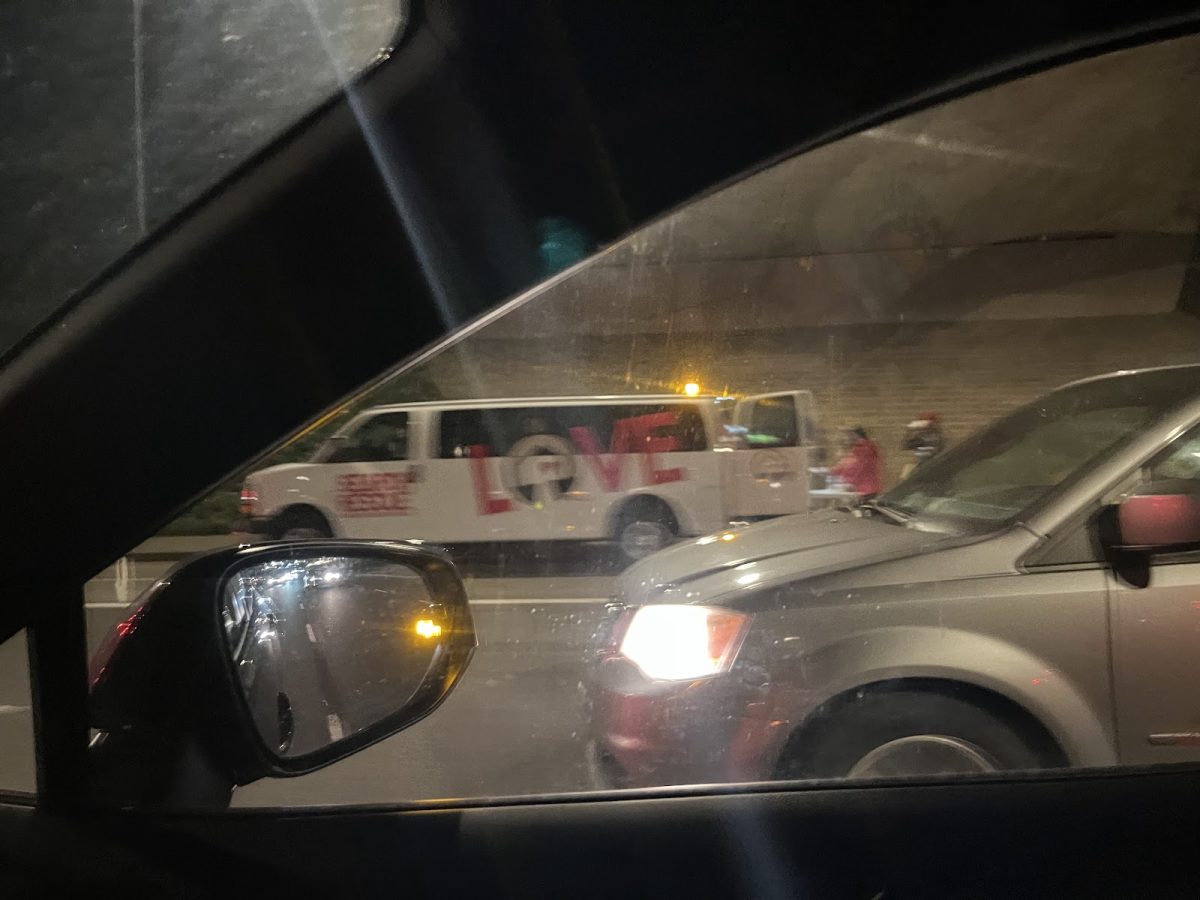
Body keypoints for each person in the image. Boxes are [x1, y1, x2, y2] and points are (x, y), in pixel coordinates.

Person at [830, 426, 883, 499]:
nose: (845, 438)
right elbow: (847, 465)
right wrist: (835, 471)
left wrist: (841, 479)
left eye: (848, 434)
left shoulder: (864, 448)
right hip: (865, 489)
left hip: (864, 491)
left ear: (854, 435)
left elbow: (855, 468)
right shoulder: (860, 448)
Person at [900, 411, 945, 480]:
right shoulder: (921, 436)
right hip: (925, 468)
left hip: (935, 468)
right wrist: (910, 431)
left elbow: (936, 446)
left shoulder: (937, 435)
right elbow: (906, 445)